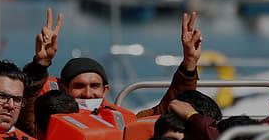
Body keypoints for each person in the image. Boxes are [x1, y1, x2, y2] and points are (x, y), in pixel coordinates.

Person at [21, 10, 204, 123]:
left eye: (95, 86)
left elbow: (167, 109)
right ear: (63, 88)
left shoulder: (123, 121)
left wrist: (189, 62)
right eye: (79, 86)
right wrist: (41, 63)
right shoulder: (46, 120)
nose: (88, 93)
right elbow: (27, 108)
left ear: (105, 90)